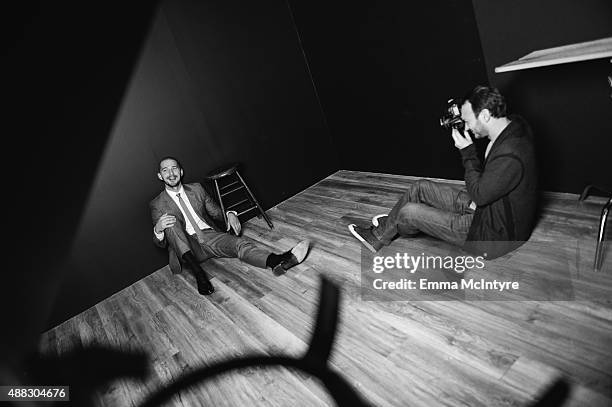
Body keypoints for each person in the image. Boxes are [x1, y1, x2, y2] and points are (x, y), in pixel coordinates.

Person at [349, 86, 537, 259]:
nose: (466, 127)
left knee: (407, 212)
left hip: (491, 236)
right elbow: (489, 188)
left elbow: (479, 196)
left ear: (486, 115)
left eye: (468, 121)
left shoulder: (509, 154)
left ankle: (394, 225)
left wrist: (468, 153)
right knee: (419, 187)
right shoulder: (514, 126)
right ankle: (389, 227)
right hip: (488, 211)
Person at [150, 157, 309, 295]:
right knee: (169, 223)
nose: (171, 174)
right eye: (165, 170)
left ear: (181, 171)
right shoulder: (157, 203)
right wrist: (158, 229)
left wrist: (229, 214)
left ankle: (277, 261)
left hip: (209, 237)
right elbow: (161, 243)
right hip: (188, 249)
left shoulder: (197, 189)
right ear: (160, 175)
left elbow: (215, 211)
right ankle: (199, 275)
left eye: (174, 169)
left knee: (239, 244)